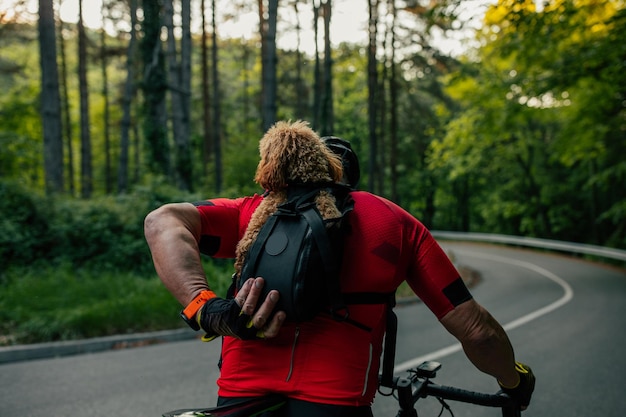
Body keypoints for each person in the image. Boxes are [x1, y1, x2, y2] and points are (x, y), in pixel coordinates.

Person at [144, 120, 535, 417]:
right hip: (336, 402)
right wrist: (512, 380)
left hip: (242, 400)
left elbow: (162, 222)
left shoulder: (254, 212)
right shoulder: (394, 224)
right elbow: (477, 332)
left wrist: (204, 305)